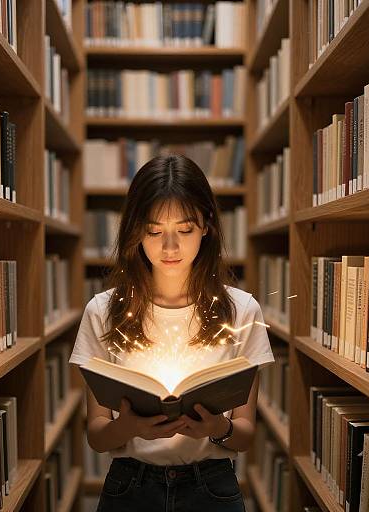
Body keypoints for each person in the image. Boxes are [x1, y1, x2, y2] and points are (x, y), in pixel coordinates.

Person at [70, 154, 275, 511]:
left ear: (206, 226)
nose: (170, 248)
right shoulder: (103, 312)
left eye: (184, 230)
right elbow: (98, 436)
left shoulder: (242, 311)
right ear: (134, 230)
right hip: (130, 486)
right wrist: (131, 427)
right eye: (154, 231)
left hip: (211, 485)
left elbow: (245, 435)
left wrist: (217, 428)